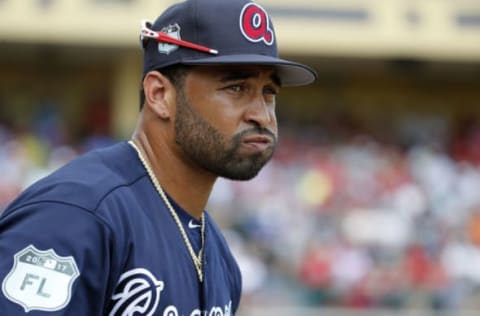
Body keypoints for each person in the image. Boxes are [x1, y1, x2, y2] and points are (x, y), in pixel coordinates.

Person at [0, 0, 316, 314]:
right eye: (235, 88)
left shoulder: (219, 255)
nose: (261, 115)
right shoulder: (76, 214)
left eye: (269, 93)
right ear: (159, 95)